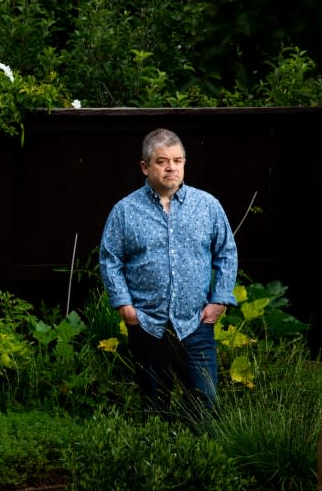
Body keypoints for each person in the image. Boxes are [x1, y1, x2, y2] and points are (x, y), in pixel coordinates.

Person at [99, 128, 238, 419]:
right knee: (152, 408)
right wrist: (125, 306)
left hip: (197, 323)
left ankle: (199, 458)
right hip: (147, 324)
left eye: (177, 160)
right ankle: (156, 459)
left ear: (185, 163)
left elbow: (226, 252)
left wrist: (220, 300)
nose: (171, 167)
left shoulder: (207, 206)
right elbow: (110, 259)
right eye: (162, 161)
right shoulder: (125, 211)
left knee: (205, 408)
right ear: (145, 167)